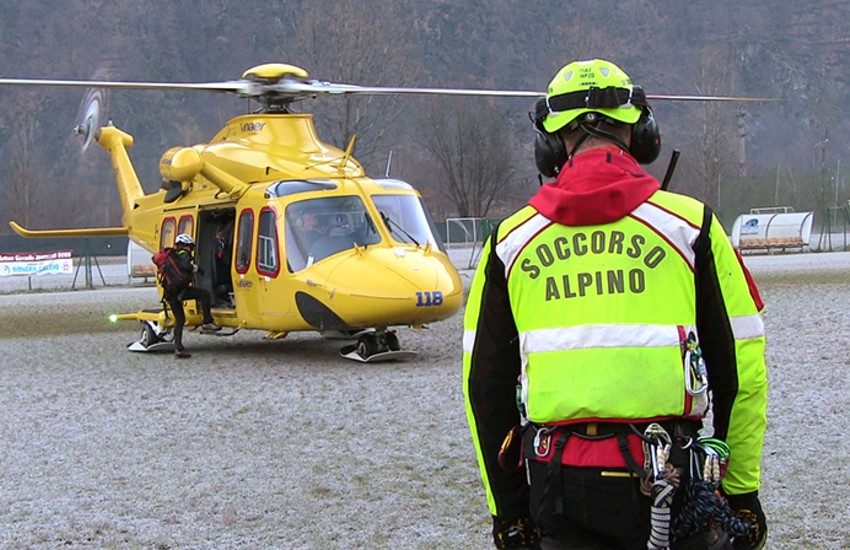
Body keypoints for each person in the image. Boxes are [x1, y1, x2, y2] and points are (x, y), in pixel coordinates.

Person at [463, 59, 768, 549]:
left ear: (548, 143)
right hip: (671, 480)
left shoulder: (509, 243)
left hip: (555, 489)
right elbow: (744, 367)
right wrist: (741, 492)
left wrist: (509, 511)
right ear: (642, 132)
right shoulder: (693, 228)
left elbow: (484, 386)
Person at [162, 233, 221, 358]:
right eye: (191, 247)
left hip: (170, 293)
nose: (191, 249)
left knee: (180, 320)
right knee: (205, 295)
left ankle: (178, 348)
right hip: (180, 291)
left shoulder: (174, 255)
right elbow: (185, 266)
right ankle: (207, 321)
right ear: (187, 245)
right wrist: (197, 268)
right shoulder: (184, 254)